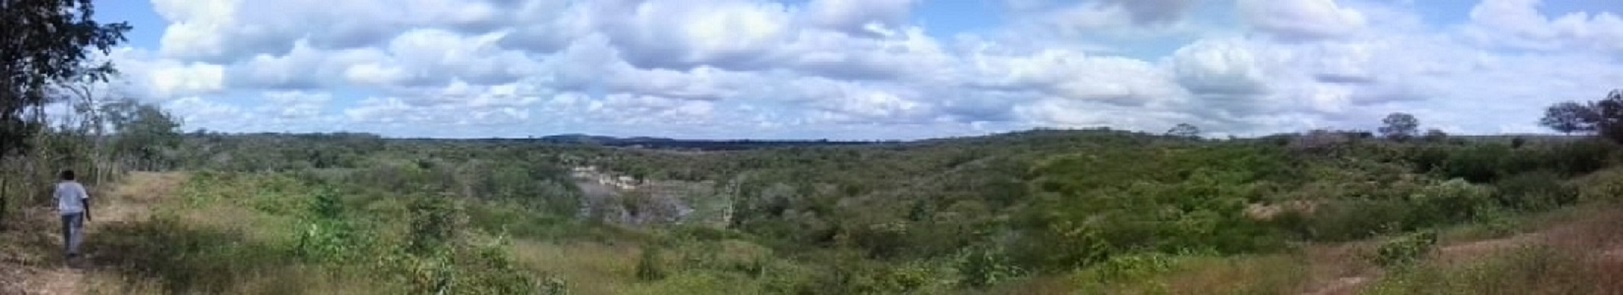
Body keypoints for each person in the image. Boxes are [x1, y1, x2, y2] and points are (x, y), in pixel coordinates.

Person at [54, 169, 90, 262]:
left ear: (64, 177)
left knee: (66, 231)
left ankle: (67, 248)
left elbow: (56, 198)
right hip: (77, 211)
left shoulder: (60, 186)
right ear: (74, 176)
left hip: (65, 212)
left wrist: (55, 208)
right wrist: (88, 212)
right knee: (76, 230)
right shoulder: (78, 186)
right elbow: (84, 199)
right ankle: (73, 250)